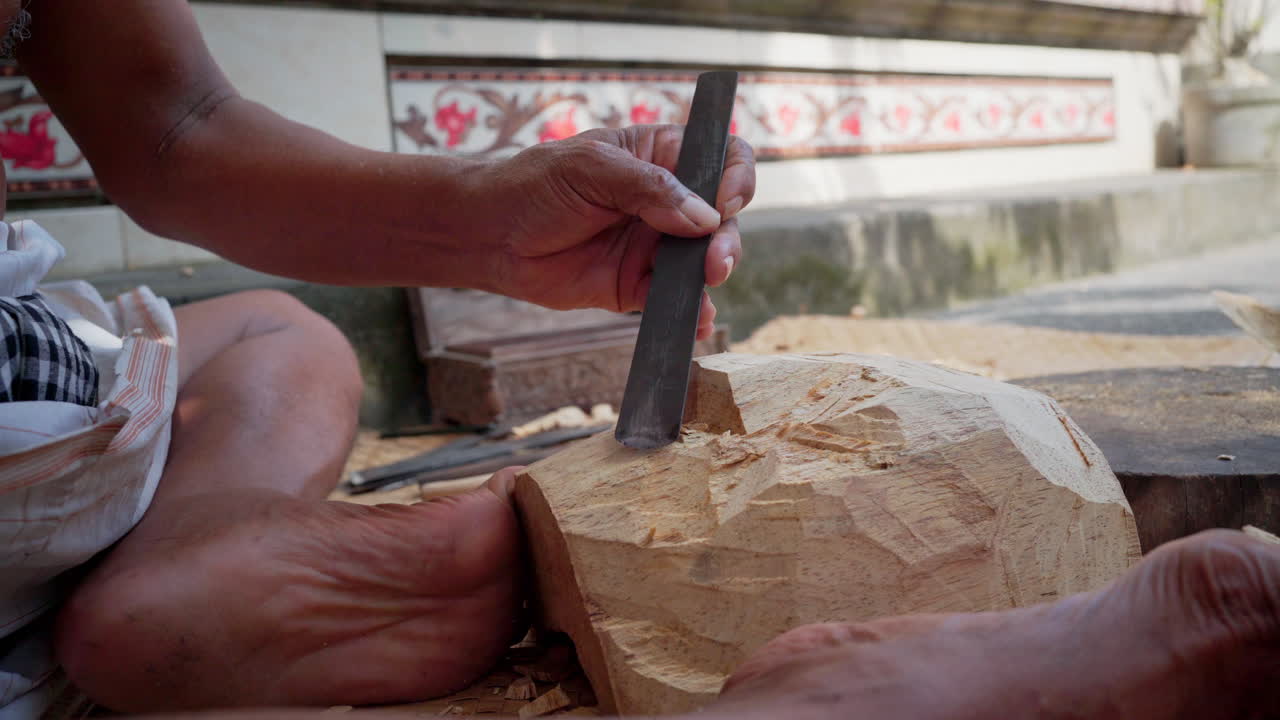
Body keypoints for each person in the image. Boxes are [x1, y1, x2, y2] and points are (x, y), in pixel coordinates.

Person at [1, 3, 1278, 720]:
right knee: (274, 343)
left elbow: (171, 134)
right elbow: (175, 127)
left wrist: (494, 221)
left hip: (39, 420)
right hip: (45, 407)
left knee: (278, 334)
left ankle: (160, 567)